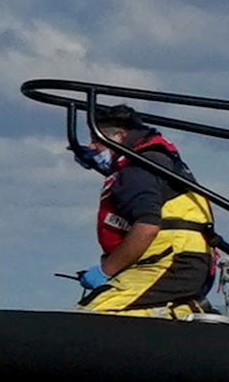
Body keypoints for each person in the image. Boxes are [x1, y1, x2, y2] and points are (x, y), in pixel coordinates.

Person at [75, 110, 216, 315]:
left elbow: (147, 228)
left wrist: (104, 273)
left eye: (96, 140)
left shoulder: (137, 168)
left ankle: (187, 312)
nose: (92, 147)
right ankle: (183, 312)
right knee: (134, 315)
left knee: (91, 316)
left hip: (172, 260)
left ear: (120, 136)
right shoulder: (155, 160)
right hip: (186, 259)